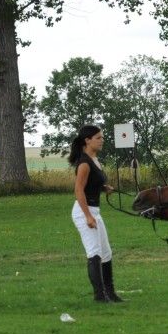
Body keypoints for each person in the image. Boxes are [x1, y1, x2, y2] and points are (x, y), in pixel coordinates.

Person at [69, 125, 123, 303]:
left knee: (106, 253)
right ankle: (100, 297)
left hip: (95, 211)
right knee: (94, 253)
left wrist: (103, 187)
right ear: (87, 140)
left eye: (102, 137)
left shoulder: (94, 160)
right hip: (84, 211)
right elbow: (78, 190)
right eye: (98, 138)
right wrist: (88, 217)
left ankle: (111, 294)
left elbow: (92, 183)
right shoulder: (84, 163)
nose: (102, 140)